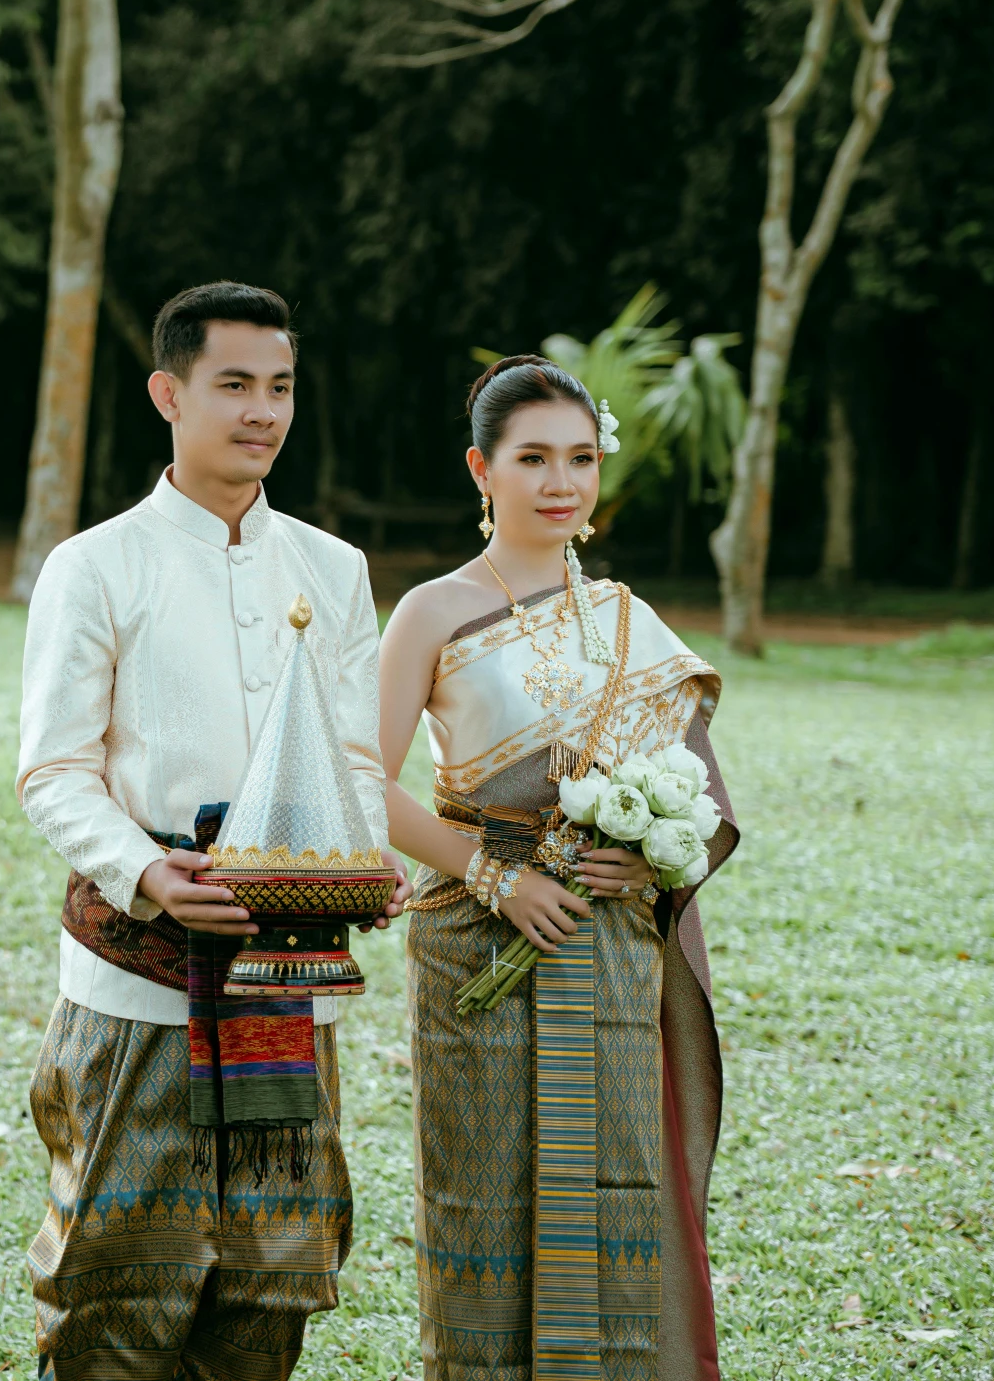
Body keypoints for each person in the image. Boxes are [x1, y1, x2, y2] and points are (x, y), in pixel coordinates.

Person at [15, 281, 404, 1380]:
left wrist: (359, 864)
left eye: (280, 387)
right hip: (136, 984)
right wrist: (148, 872)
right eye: (233, 384)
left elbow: (357, 761)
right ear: (167, 392)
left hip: (288, 980)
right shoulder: (96, 564)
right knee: (114, 1287)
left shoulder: (332, 570)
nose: (261, 411)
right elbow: (52, 771)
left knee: (266, 1289)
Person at [376, 356, 739, 1380]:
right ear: (479, 469)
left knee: (610, 1185)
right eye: (531, 457)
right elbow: (360, 780)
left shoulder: (629, 619)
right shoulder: (434, 611)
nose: (558, 481)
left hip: (608, 954)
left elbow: (700, 802)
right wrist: (497, 879)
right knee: (480, 1196)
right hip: (474, 943)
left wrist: (647, 858)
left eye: (578, 458)